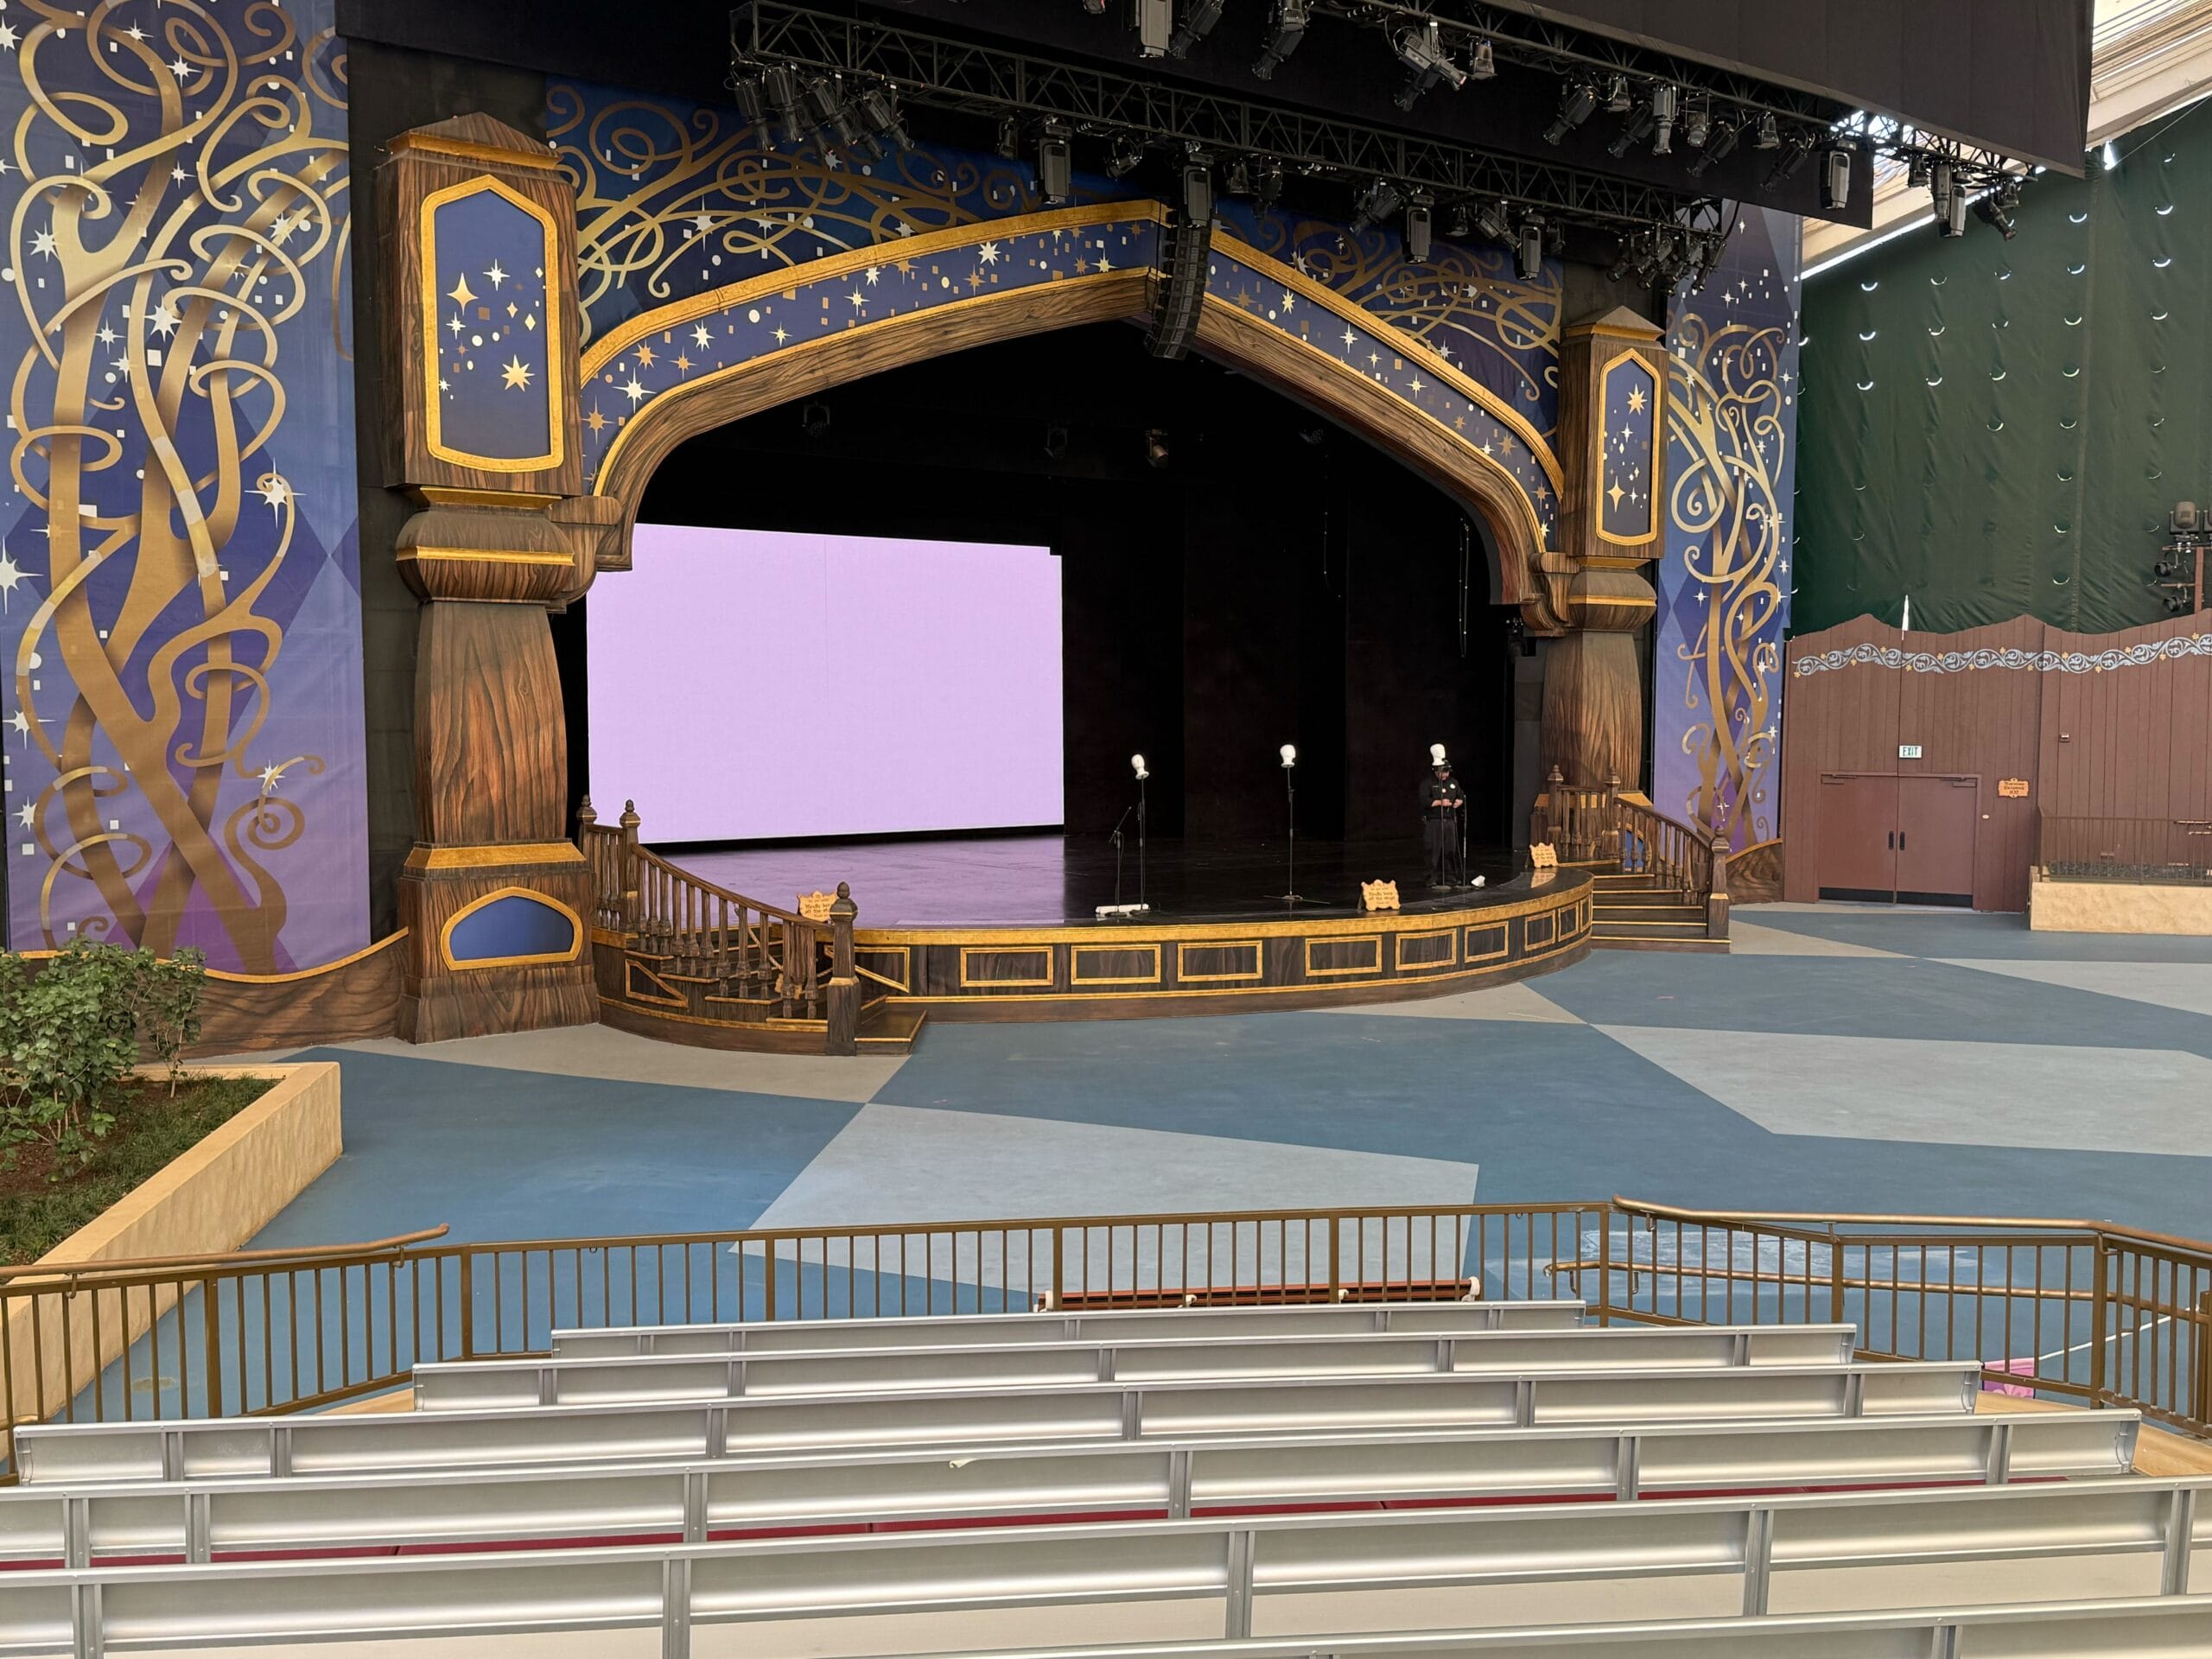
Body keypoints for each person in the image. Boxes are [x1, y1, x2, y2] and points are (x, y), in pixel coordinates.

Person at [1421, 744, 1465, 888]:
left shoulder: (1453, 783)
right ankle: (1430, 878)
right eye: (1442, 772)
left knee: (1449, 850)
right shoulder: (1428, 783)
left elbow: (1460, 795)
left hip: (1449, 821)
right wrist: (1439, 802)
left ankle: (1450, 877)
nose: (1445, 775)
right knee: (1432, 851)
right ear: (1435, 770)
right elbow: (1424, 800)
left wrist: (1460, 801)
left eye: (1447, 772)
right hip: (1434, 821)